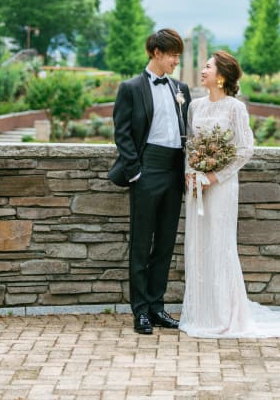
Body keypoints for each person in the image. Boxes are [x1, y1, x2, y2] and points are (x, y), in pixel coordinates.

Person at [179, 50, 280, 338]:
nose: (203, 70)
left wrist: (215, 176)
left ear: (221, 75)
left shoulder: (235, 108)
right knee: (198, 246)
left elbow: (245, 149)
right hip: (197, 186)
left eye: (208, 66)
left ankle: (224, 316)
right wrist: (192, 172)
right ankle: (201, 314)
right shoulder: (195, 106)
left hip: (221, 187)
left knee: (220, 247)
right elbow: (190, 143)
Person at [108, 28, 191, 335]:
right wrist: (136, 172)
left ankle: (157, 307)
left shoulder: (180, 88)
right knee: (142, 244)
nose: (175, 61)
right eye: (172, 55)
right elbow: (123, 133)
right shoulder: (130, 87)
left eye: (179, 56)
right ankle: (140, 311)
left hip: (174, 173)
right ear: (156, 53)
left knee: (166, 243)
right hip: (147, 171)